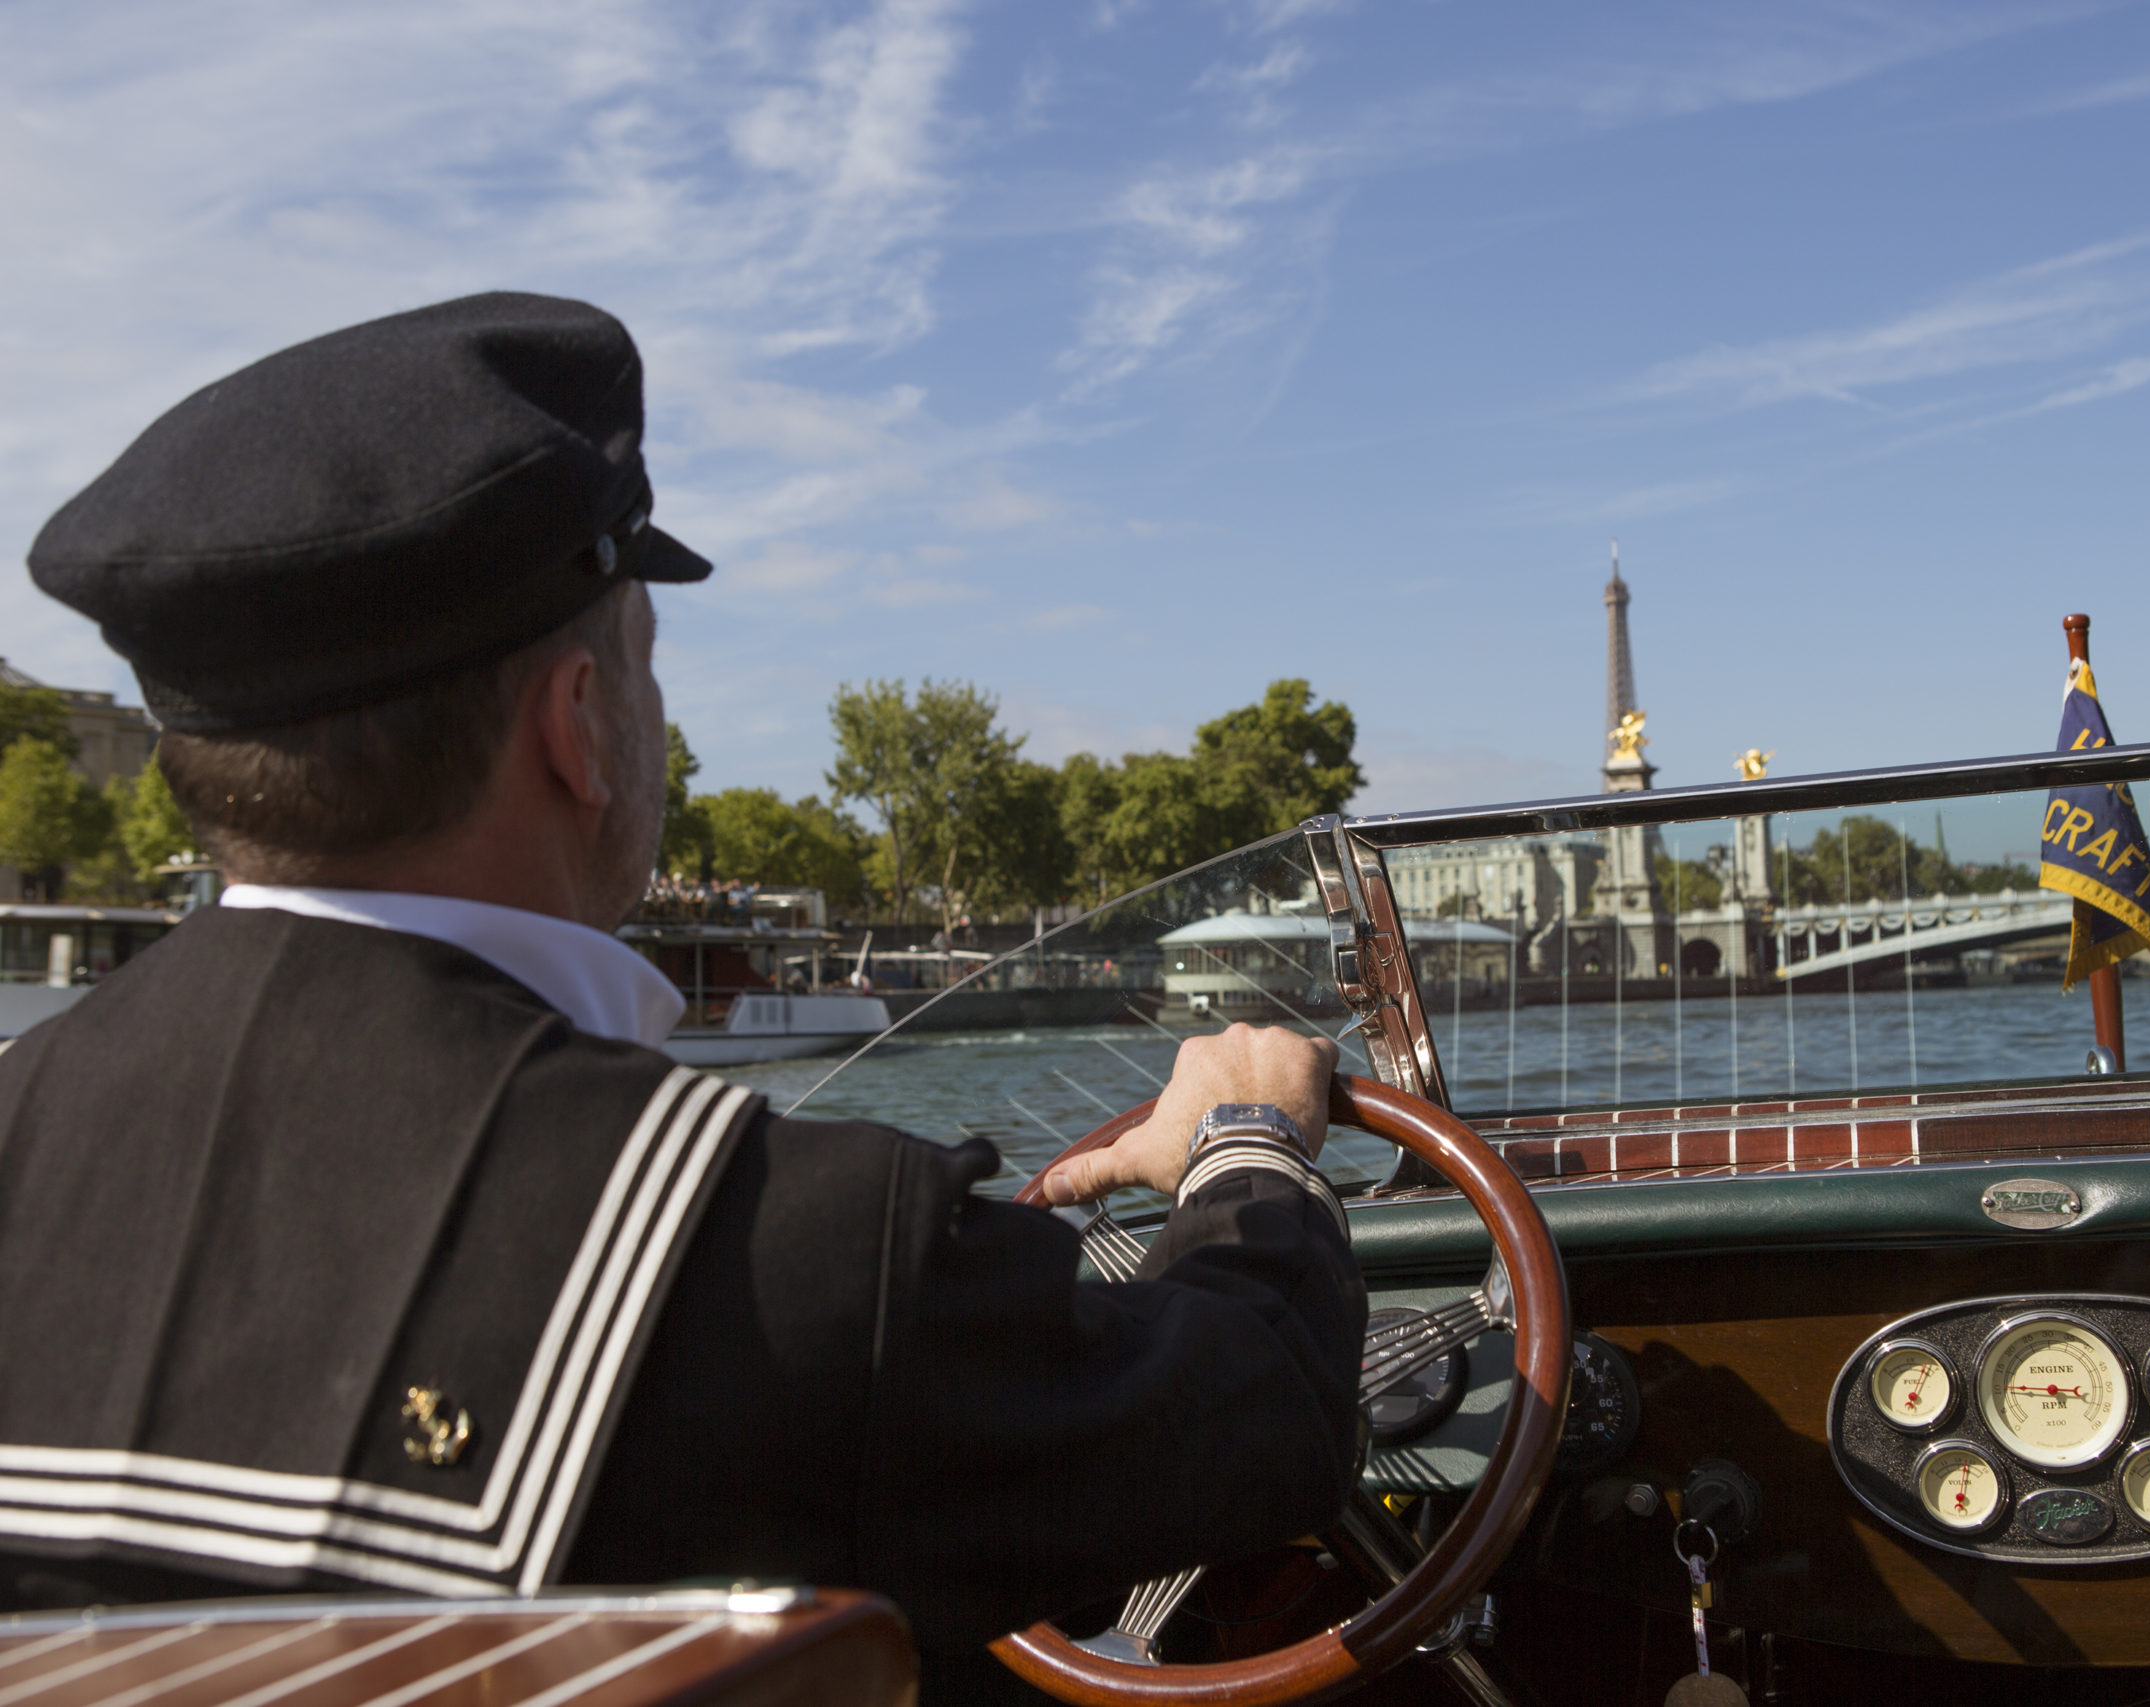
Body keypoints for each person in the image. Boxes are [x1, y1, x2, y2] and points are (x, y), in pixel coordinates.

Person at [0, 294, 1366, 1695]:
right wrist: (1247, 1145)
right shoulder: (802, 1256)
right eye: (650, 669)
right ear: (578, 726)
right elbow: (1268, 1416)